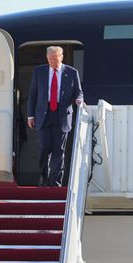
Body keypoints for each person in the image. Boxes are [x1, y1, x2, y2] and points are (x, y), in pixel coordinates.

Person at [27, 46, 83, 186]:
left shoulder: (71, 72)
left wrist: (79, 100)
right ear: (47, 58)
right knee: (44, 148)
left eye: (55, 58)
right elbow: (33, 94)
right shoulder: (39, 72)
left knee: (59, 150)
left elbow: (78, 91)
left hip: (62, 114)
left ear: (61, 57)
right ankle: (43, 179)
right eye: (50, 58)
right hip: (43, 115)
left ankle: (55, 183)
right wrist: (30, 115)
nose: (53, 61)